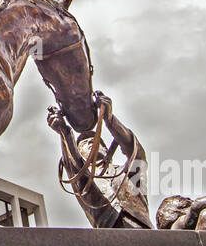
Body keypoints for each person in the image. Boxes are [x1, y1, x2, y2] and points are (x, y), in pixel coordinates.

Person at [48, 93, 152, 228]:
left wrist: (110, 120)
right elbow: (74, 167)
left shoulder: (124, 173)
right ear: (82, 156)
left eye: (96, 141)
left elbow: (135, 151)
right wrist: (64, 132)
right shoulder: (85, 181)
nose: (92, 143)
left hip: (144, 232)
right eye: (85, 143)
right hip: (110, 236)